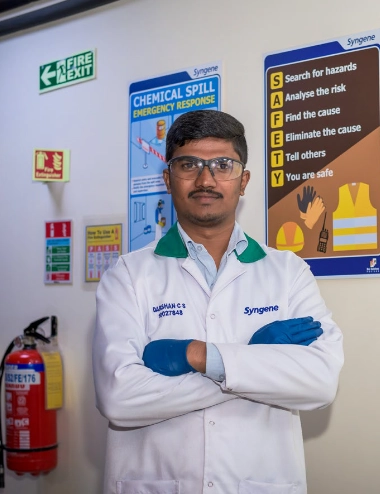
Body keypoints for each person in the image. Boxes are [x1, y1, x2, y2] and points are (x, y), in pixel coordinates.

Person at [93, 110, 344, 494]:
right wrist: (253, 360)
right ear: (167, 179)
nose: (205, 179)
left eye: (222, 164)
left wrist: (199, 356)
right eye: (188, 164)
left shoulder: (288, 272)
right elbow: (120, 398)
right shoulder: (128, 275)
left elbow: (320, 383)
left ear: (243, 181)